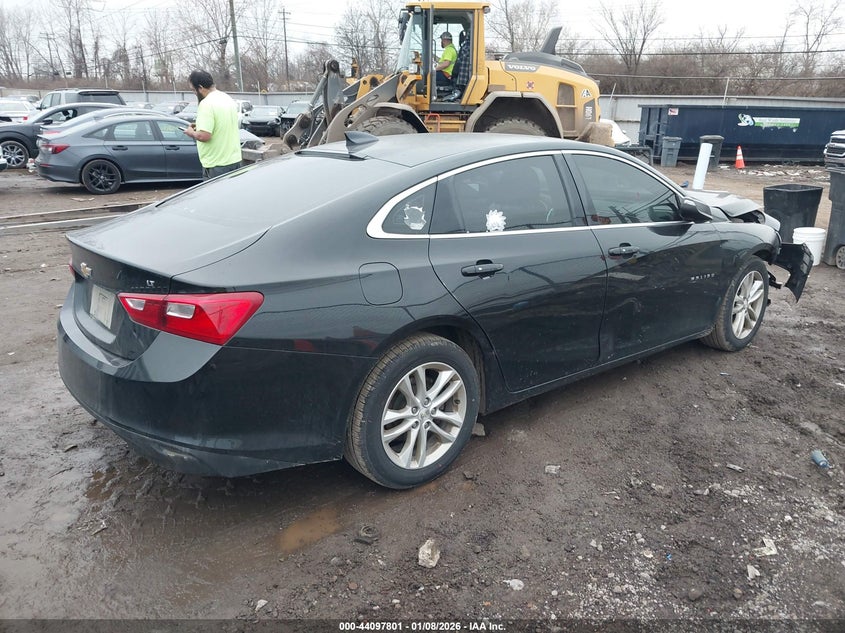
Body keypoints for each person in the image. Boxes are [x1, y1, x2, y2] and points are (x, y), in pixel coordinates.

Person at [184, 69, 242, 179]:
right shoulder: (227, 98)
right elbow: (222, 124)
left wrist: (191, 132)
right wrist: (201, 125)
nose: (194, 93)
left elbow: (204, 136)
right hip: (234, 160)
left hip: (216, 164)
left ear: (200, 88)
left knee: (216, 195)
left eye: (193, 90)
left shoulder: (206, 104)